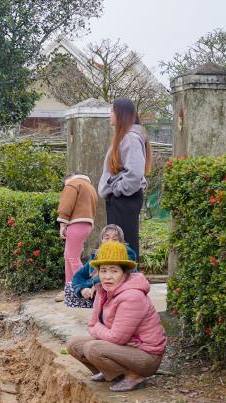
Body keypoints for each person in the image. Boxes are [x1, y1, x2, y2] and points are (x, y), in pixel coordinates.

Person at [65, 242, 166, 391]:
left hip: (146, 356)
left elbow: (116, 337)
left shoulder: (133, 296)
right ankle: (111, 373)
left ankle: (134, 376)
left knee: (93, 348)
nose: (108, 276)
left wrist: (99, 330)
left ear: (125, 274)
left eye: (114, 271)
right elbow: (92, 325)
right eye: (103, 271)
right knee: (73, 344)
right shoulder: (102, 290)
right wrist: (101, 330)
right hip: (124, 347)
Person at [99, 98, 151, 257]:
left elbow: (135, 174)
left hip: (124, 200)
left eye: (112, 111)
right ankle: (122, 279)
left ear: (120, 114)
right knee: (119, 245)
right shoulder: (125, 137)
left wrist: (116, 190)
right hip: (121, 200)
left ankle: (131, 279)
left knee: (124, 245)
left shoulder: (130, 138)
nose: (110, 115)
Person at [61, 225, 138, 308]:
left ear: (121, 241)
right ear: (101, 240)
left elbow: (129, 275)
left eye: (115, 239)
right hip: (94, 290)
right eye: (106, 238)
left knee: (111, 291)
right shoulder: (97, 254)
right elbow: (79, 275)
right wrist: (82, 289)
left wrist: (98, 284)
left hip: (115, 288)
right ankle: (97, 302)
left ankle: (107, 304)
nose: (110, 242)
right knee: (70, 286)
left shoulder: (126, 254)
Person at [54, 174, 98, 302]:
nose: (65, 188)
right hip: (85, 224)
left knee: (72, 257)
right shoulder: (89, 186)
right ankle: (69, 288)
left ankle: (86, 287)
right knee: (68, 255)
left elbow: (65, 205)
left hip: (76, 223)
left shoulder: (73, 184)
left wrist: (62, 224)